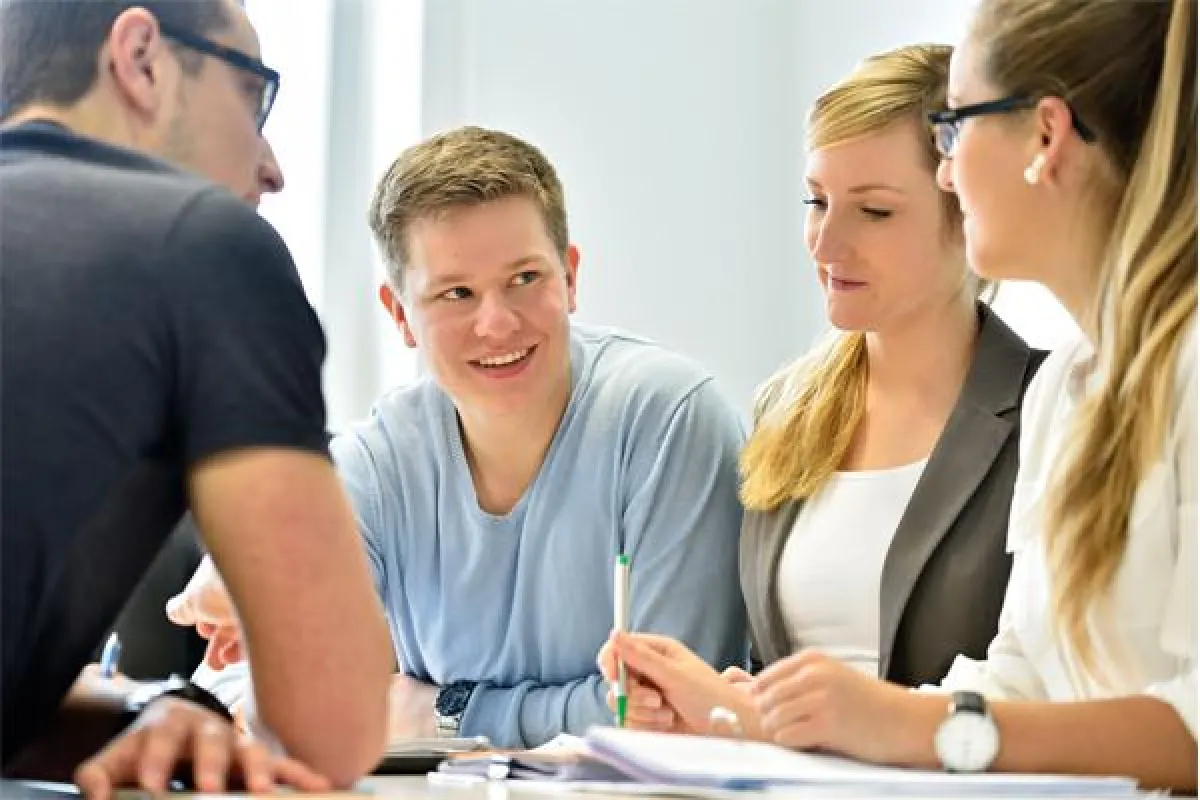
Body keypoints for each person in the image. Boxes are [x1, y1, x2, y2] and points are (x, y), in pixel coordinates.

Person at [604, 0, 1197, 792]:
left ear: (1047, 138)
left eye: (956, 129)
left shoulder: (1179, 369)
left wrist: (908, 724)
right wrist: (780, 716)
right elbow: (1019, 680)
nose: (949, 170)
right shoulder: (1072, 386)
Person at [170, 125, 750, 748]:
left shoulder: (668, 420)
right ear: (400, 315)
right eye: (456, 293)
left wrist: (433, 716)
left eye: (526, 278)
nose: (497, 322)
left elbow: (678, 713)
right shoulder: (379, 461)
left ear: (570, 276)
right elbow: (242, 691)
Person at [0, 0, 394, 795]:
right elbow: (333, 729)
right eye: (254, 93)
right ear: (142, 56)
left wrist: (144, 709)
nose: (272, 164)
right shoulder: (200, 244)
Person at [599, 41, 1043, 730]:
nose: (824, 243)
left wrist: (750, 715)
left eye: (873, 212)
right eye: (816, 201)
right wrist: (709, 706)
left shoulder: (1050, 410)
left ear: (968, 211)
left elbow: (1051, 684)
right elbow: (780, 677)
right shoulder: (786, 408)